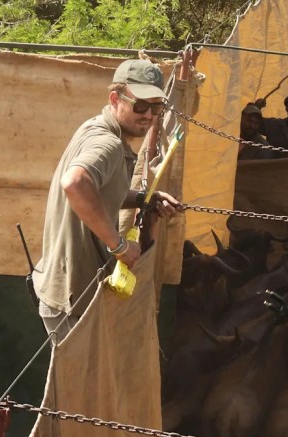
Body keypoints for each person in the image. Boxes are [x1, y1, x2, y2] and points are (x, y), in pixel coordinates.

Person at [32, 59, 182, 343]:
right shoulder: (107, 144)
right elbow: (75, 184)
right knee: (78, 387)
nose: (148, 115)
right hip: (72, 300)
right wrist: (120, 245)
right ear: (115, 98)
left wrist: (143, 199)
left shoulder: (97, 127)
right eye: (140, 105)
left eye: (157, 107)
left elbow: (100, 192)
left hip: (69, 292)